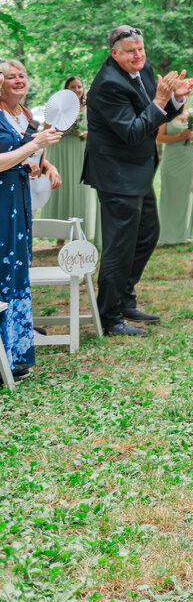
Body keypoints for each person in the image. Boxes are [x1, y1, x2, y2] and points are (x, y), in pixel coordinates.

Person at [83, 26, 193, 337]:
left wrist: (175, 98)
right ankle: (109, 318)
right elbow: (134, 131)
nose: (139, 55)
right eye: (131, 51)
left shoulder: (143, 69)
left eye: (141, 48)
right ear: (114, 53)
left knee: (147, 234)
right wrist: (161, 99)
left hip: (138, 170)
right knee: (119, 246)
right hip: (116, 173)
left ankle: (125, 298)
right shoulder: (107, 85)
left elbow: (155, 114)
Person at [0, 60, 62, 380]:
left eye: (22, 75)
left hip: (19, 200)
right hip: (0, 203)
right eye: (11, 76)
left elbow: (27, 154)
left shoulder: (24, 115)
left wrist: (43, 164)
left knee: (16, 274)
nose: (18, 80)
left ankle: (16, 356)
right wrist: (33, 147)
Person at [41, 75, 99, 243]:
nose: (76, 90)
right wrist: (64, 131)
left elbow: (99, 128)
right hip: (61, 150)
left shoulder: (90, 107)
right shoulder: (58, 107)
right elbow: (46, 130)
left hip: (81, 150)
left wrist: (87, 133)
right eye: (72, 87)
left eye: (79, 87)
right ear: (66, 89)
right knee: (62, 190)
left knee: (81, 189)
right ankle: (60, 238)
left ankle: (81, 236)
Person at [155, 108, 193, 245]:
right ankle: (167, 235)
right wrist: (179, 137)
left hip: (188, 159)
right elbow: (159, 137)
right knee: (169, 194)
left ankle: (184, 234)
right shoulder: (166, 113)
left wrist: (192, 137)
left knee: (186, 194)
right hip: (171, 159)